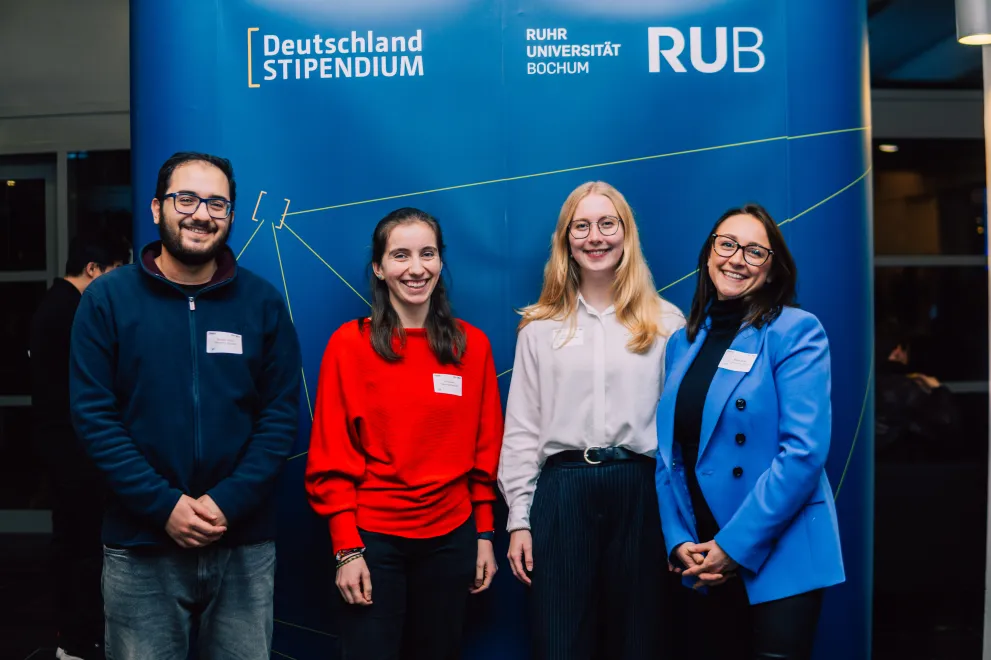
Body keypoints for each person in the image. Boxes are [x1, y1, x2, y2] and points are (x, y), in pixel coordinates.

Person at [69, 152, 302, 660]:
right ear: (156, 209)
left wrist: (227, 502)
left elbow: (281, 414)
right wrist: (164, 506)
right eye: (186, 198)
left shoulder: (262, 303)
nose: (201, 213)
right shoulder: (107, 300)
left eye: (217, 202)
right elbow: (94, 418)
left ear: (232, 216)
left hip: (242, 545)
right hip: (141, 544)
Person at [304, 207, 503, 660]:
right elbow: (331, 454)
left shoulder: (471, 346)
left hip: (452, 538)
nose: (416, 268)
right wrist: (346, 550)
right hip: (373, 541)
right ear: (379, 267)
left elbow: (485, 448)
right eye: (400, 255)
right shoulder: (348, 345)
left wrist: (485, 534)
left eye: (427, 254)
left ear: (440, 261)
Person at [498, 181, 685, 660]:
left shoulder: (667, 324)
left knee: (642, 642)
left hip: (641, 492)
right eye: (581, 226)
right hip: (562, 493)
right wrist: (519, 520)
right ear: (566, 240)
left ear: (627, 235)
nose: (595, 237)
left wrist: (679, 523)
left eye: (607, 224)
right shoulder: (538, 328)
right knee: (560, 641)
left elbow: (679, 436)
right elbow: (521, 431)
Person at [655, 204, 845, 660]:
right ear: (708, 254)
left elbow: (803, 453)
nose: (736, 259)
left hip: (778, 551)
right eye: (727, 244)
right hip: (702, 558)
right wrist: (678, 538)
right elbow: (669, 453)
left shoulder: (795, 331)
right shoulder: (682, 341)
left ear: (772, 269)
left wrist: (733, 546)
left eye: (755, 252)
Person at [30, 232, 130, 660]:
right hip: (73, 452)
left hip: (60, 448)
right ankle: (78, 642)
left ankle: (72, 639)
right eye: (115, 271)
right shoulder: (73, 311)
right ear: (94, 270)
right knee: (83, 549)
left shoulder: (52, 305)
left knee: (72, 545)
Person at [874, 319, 959, 459]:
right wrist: (938, 389)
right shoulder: (902, 388)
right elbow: (947, 423)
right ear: (897, 352)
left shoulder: (865, 379)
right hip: (897, 467)